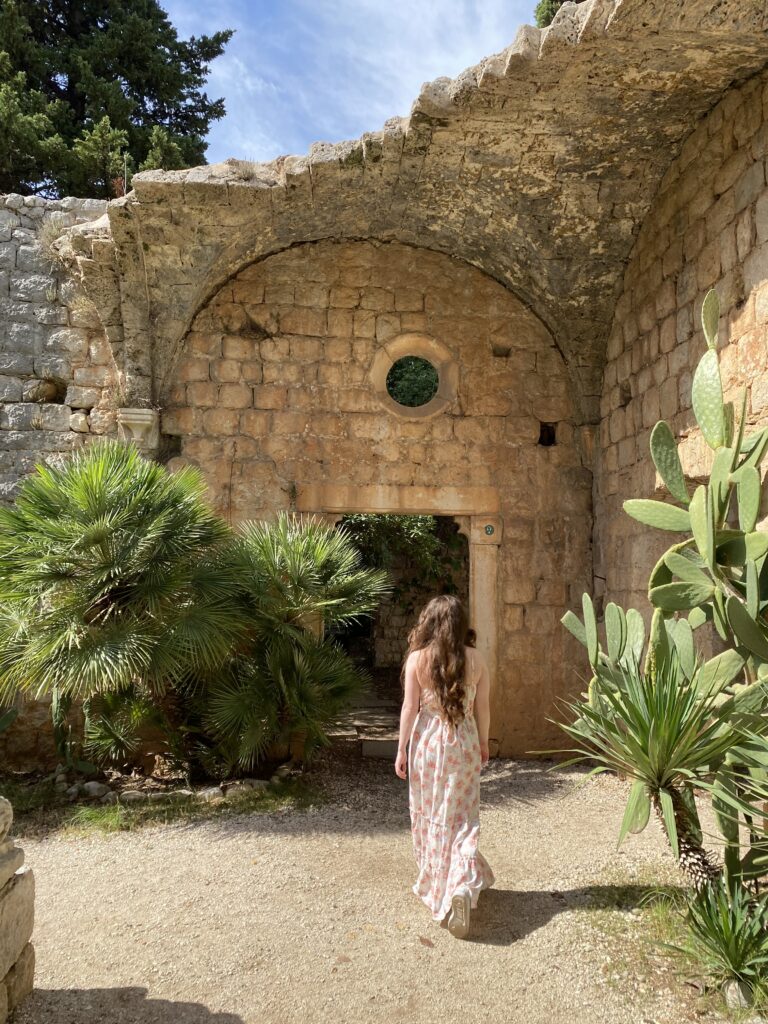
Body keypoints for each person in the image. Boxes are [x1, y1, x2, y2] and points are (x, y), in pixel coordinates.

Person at [394, 595, 494, 939]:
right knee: (463, 816)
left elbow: (409, 709)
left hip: (429, 747)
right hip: (463, 743)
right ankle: (462, 887)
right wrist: (483, 743)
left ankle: (439, 883)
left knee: (432, 814)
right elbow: (484, 710)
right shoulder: (477, 659)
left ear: (430, 623)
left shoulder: (416, 660)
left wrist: (402, 748)